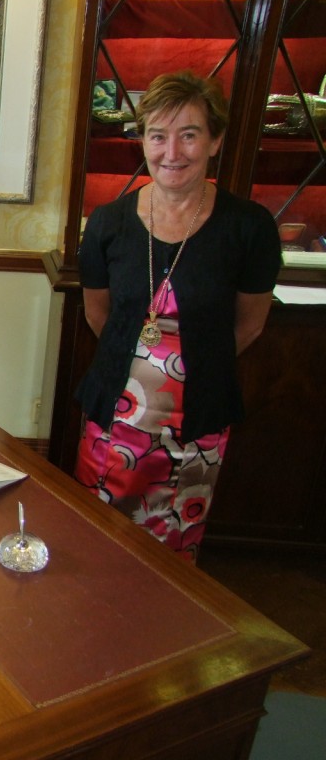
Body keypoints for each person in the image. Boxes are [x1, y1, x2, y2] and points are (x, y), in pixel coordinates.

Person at [73, 71, 281, 562]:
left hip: (199, 419)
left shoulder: (249, 228)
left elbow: (249, 324)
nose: (173, 152)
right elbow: (98, 314)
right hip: (115, 418)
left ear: (215, 141)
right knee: (95, 536)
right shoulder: (107, 222)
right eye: (158, 135)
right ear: (142, 141)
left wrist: (190, 367)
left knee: (174, 550)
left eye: (189, 134)